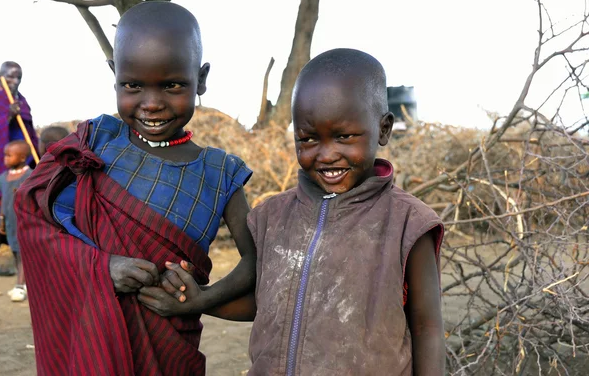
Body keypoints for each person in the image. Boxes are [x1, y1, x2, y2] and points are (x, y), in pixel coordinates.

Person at [164, 48, 446, 375]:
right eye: (308, 139)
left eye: (344, 136)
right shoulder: (272, 217)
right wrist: (203, 300)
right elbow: (268, 302)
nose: (326, 155)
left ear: (383, 130)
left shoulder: (408, 225)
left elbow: (428, 328)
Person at [15, 1, 256, 375]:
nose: (152, 103)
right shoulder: (95, 143)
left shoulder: (221, 172)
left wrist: (200, 300)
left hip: (169, 351)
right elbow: (32, 216)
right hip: (90, 341)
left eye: (173, 85)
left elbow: (257, 261)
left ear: (202, 78)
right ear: (114, 74)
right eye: (133, 85)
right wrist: (102, 266)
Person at [0, 62, 38, 275]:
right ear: (1, 77)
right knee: (0, 219)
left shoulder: (22, 101)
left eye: (18, 77)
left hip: (23, 168)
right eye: (10, 77)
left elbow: (28, 133)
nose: (15, 82)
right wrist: (6, 117)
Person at [0, 141, 33, 301]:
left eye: (9, 155)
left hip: (25, 222)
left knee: (24, 255)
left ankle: (20, 286)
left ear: (22, 157)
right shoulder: (3, 178)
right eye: (5, 155)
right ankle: (24, 283)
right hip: (10, 222)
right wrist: (1, 219)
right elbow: (4, 200)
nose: (5, 158)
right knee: (15, 251)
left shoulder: (30, 176)